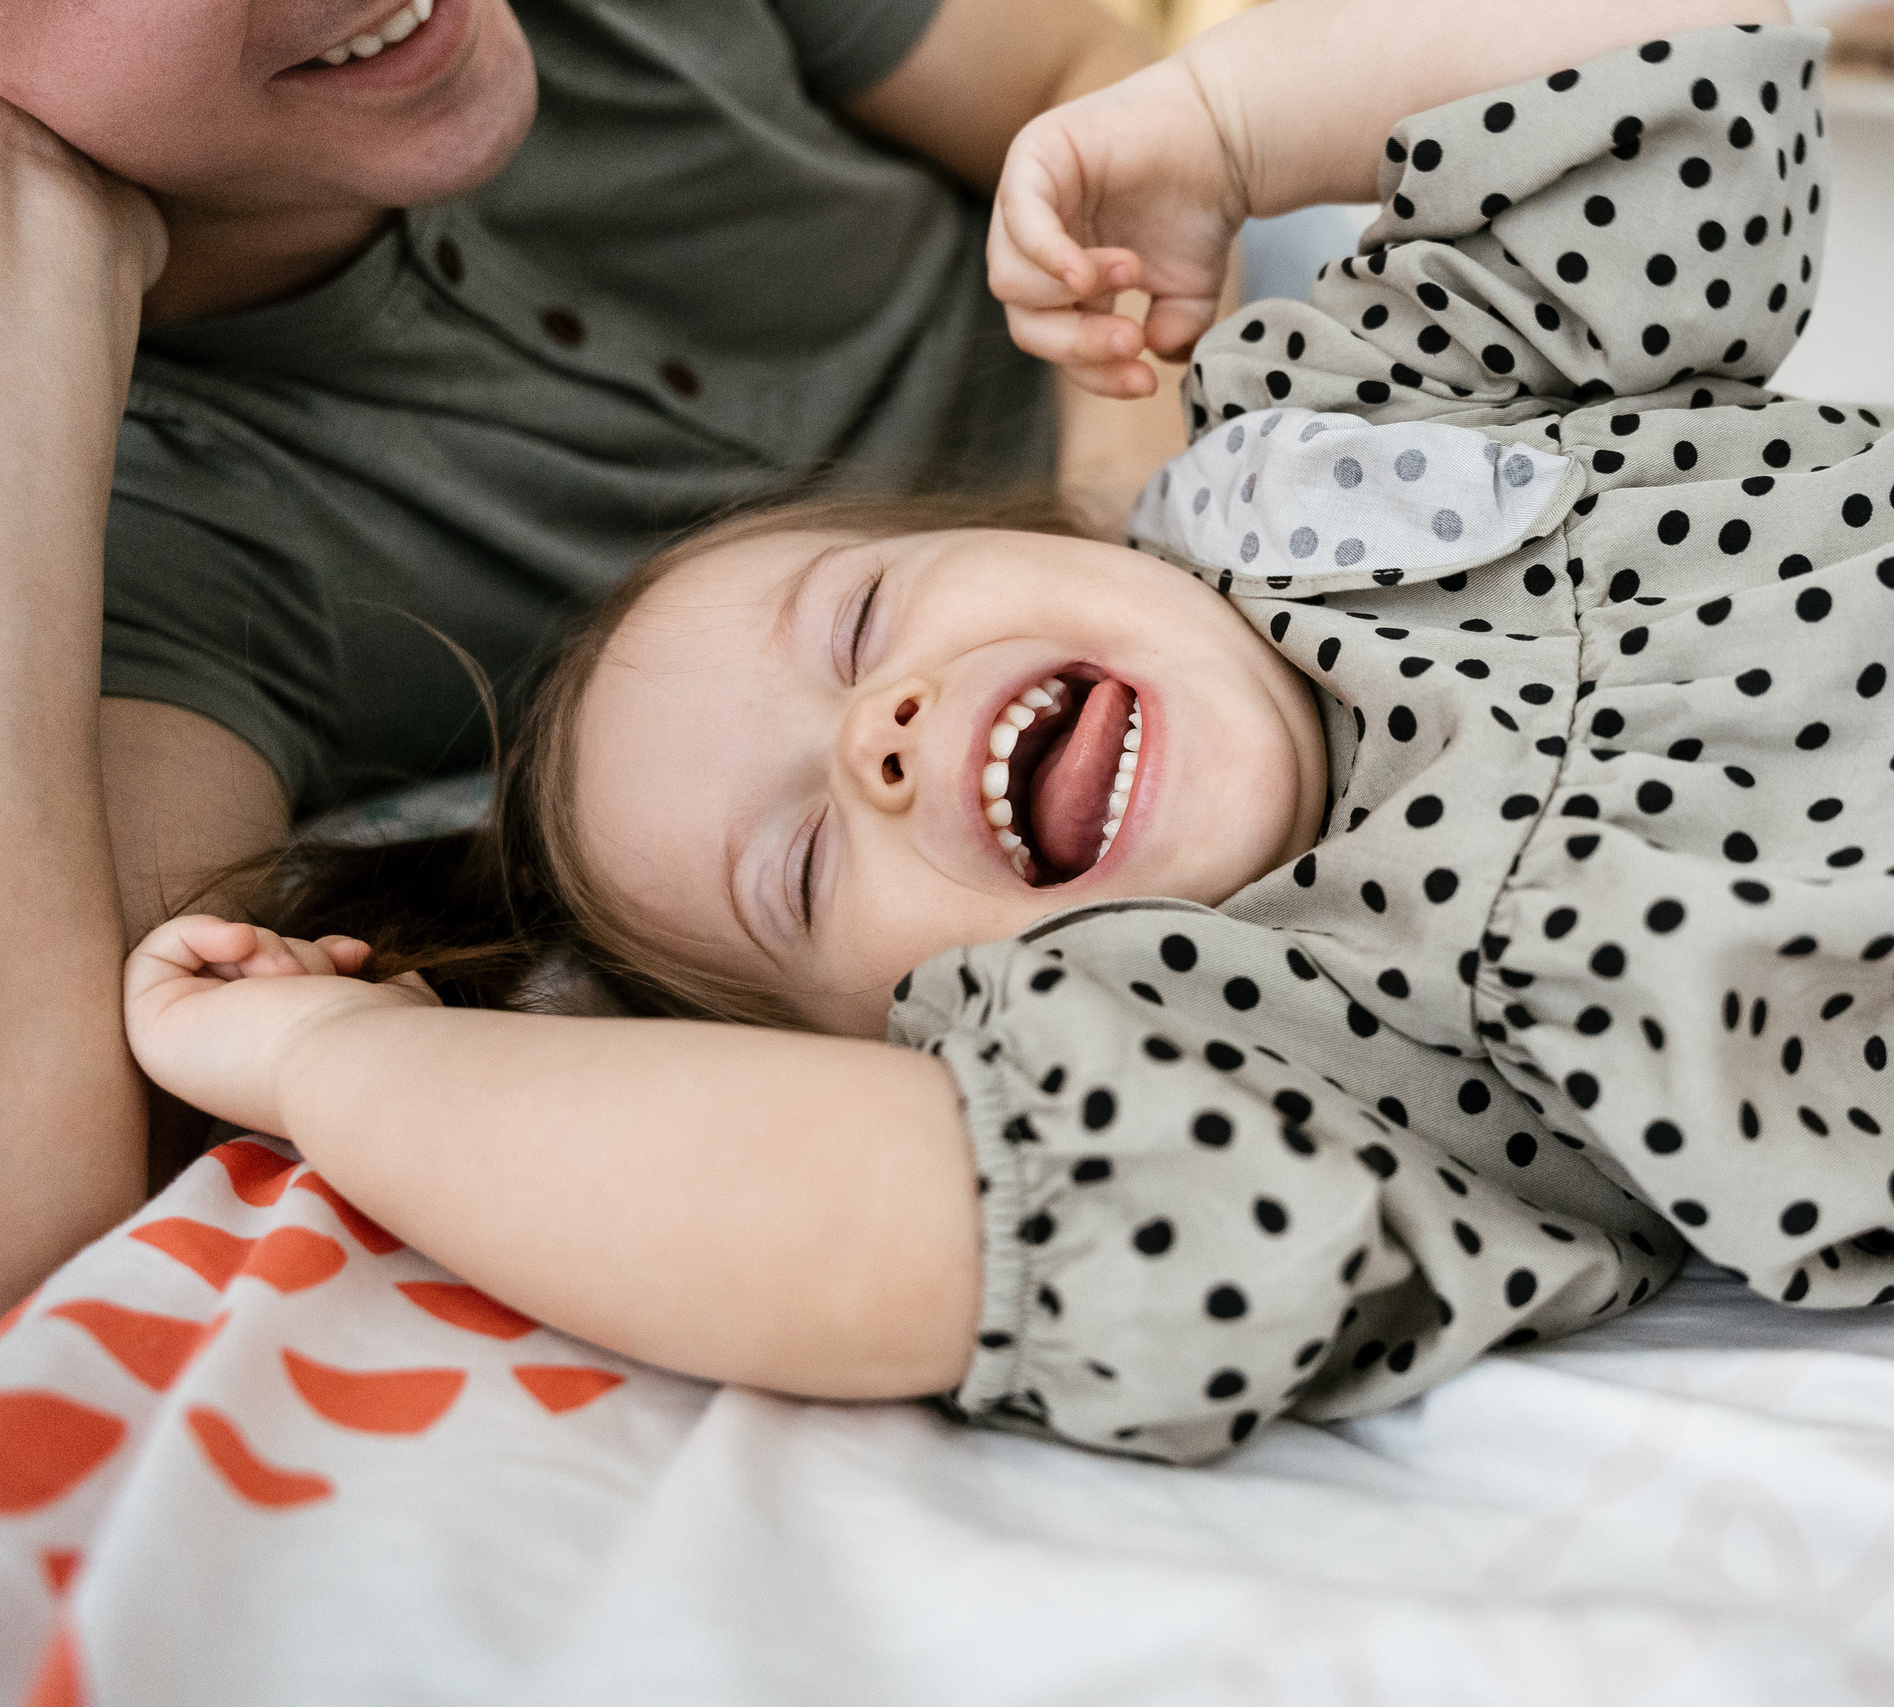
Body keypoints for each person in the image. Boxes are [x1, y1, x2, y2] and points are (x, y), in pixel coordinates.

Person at [122, 1, 1894, 1470]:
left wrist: (1222, 117)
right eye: (793, 867)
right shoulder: (1254, 1040)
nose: (865, 737)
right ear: (919, 1032)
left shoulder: (1323, 441)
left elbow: (1656, 64)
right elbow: (883, 1226)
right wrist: (352, 1082)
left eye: (859, 614)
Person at [0, 0, 1177, 1305]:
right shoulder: (136, 537)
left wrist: (1153, 539)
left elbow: (1086, 71)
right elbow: (38, 1212)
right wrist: (35, 310)